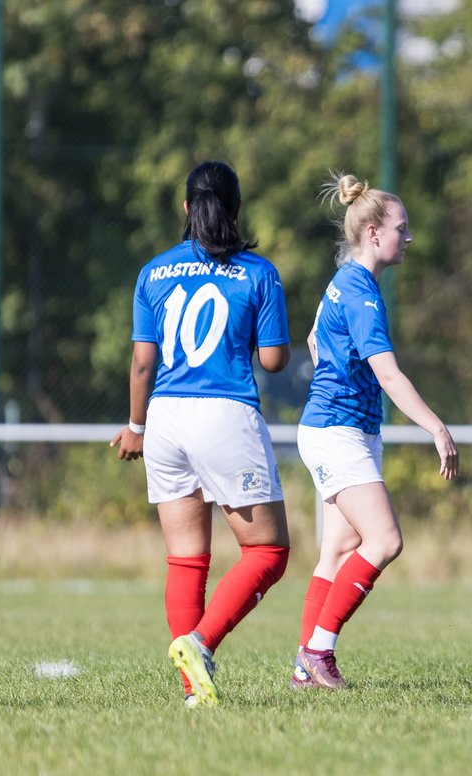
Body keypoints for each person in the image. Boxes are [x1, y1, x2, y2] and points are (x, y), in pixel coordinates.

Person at [112, 161, 291, 708]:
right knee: (268, 551)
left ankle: (196, 692)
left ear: (186, 208)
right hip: (224, 412)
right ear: (235, 209)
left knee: (187, 559)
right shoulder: (259, 273)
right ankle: (201, 643)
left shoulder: (153, 272)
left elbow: (144, 363)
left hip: (164, 416)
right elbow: (274, 360)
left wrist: (135, 427)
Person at [290, 173, 459, 690]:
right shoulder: (359, 290)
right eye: (401, 229)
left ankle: (304, 668)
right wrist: (436, 427)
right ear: (373, 232)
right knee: (384, 540)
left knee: (338, 552)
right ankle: (319, 652)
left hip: (344, 429)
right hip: (337, 431)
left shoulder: (343, 283)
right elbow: (388, 373)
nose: (408, 238)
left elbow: (319, 345)